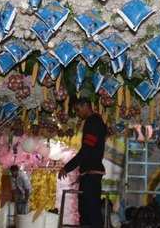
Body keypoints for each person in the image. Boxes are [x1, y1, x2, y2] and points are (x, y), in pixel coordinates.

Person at [59, 97, 108, 228]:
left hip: (91, 174)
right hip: (90, 172)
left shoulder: (93, 122)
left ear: (86, 105)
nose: (77, 113)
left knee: (90, 213)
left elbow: (86, 150)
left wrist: (67, 167)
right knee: (88, 212)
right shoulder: (96, 121)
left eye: (78, 109)